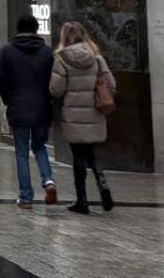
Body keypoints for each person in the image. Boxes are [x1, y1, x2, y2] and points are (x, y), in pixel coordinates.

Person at [50, 21, 117, 214]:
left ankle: (82, 201)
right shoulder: (96, 58)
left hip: (72, 114)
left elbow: (56, 89)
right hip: (94, 113)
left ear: (64, 37)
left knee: (78, 156)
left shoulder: (61, 59)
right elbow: (111, 84)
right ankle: (103, 185)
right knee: (92, 154)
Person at [0, 13, 58, 209]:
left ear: (18, 29)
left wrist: (9, 100)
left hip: (18, 107)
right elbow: (54, 82)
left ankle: (25, 197)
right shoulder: (48, 52)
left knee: (21, 152)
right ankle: (48, 180)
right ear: (36, 29)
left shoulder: (7, 51)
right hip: (42, 107)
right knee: (40, 147)